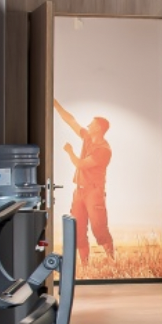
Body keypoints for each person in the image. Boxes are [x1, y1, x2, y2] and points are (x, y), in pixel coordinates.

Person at [53, 99, 114, 265]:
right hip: (79, 191)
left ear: (99, 128)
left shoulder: (104, 150)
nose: (88, 125)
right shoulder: (87, 138)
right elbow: (71, 120)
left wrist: (69, 151)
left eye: (92, 124)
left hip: (94, 192)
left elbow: (81, 164)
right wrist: (56, 105)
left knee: (99, 228)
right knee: (78, 229)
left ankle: (111, 260)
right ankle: (85, 266)